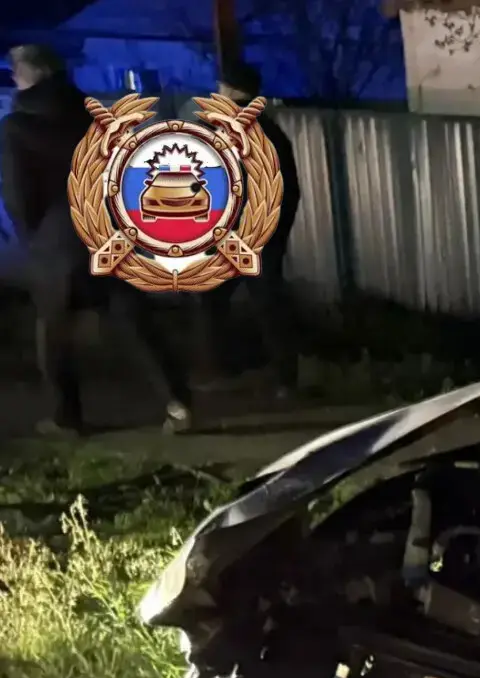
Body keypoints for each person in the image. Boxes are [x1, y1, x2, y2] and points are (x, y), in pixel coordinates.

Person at [2, 44, 194, 435]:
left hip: (56, 239)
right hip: (105, 230)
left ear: (31, 74)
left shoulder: (17, 126)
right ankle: (178, 403)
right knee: (134, 320)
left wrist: (36, 235)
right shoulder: (94, 115)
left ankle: (66, 417)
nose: (13, 78)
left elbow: (18, 193)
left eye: (16, 71)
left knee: (53, 331)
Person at [196, 60, 302, 391]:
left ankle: (223, 370)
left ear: (228, 90)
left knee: (210, 301)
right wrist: (278, 233)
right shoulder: (270, 130)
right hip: (262, 234)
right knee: (269, 304)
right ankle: (286, 379)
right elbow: (290, 188)